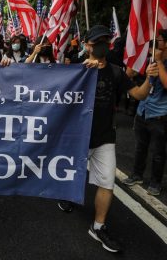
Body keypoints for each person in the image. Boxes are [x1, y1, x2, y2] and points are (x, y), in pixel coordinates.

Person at [58, 25, 159, 253]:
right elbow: (46, 87)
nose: (101, 45)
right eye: (96, 42)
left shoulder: (116, 72)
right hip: (78, 137)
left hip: (105, 137)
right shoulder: (77, 69)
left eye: (105, 41)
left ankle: (98, 226)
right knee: (71, 174)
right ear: (87, 45)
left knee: (106, 182)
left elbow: (139, 95)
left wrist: (150, 79)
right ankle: (67, 195)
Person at [122, 29, 167, 196]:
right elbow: (128, 75)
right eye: (153, 42)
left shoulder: (162, 62)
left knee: (158, 151)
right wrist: (135, 59)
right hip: (142, 111)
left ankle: (155, 183)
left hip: (159, 115)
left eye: (159, 41)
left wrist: (160, 62)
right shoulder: (146, 60)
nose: (154, 45)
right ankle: (137, 175)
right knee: (140, 147)